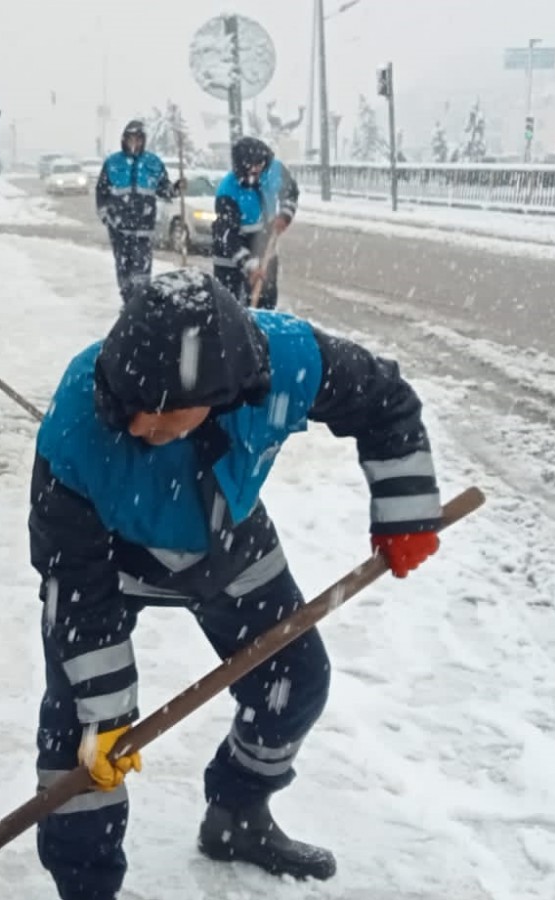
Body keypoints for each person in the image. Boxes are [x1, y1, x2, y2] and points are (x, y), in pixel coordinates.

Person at [27, 269, 444, 900]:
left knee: (293, 681)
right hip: (110, 563)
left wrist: (405, 509)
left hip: (228, 535)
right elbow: (75, 588)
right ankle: (86, 888)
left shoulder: (288, 361)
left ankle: (238, 817)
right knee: (81, 741)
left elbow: (383, 400)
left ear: (219, 394)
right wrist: (107, 715)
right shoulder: (77, 431)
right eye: (128, 405)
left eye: (158, 412)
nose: (137, 426)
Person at [94, 120, 181, 301]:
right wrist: (105, 216)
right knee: (124, 272)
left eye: (138, 139)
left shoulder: (153, 163)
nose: (134, 143)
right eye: (131, 138)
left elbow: (163, 189)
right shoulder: (113, 163)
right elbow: (101, 191)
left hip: (144, 229)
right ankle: (127, 304)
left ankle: (139, 305)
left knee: (141, 275)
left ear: (143, 140)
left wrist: (176, 189)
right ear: (124, 140)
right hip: (119, 229)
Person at [212, 136, 299, 311]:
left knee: (265, 305)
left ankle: (260, 333)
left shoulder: (274, 170)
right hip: (231, 259)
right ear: (241, 167)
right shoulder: (228, 191)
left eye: (260, 164)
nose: (257, 169)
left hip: (265, 250)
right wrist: (248, 265)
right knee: (232, 310)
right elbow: (228, 236)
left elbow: (291, 192)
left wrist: (285, 215)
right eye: (251, 167)